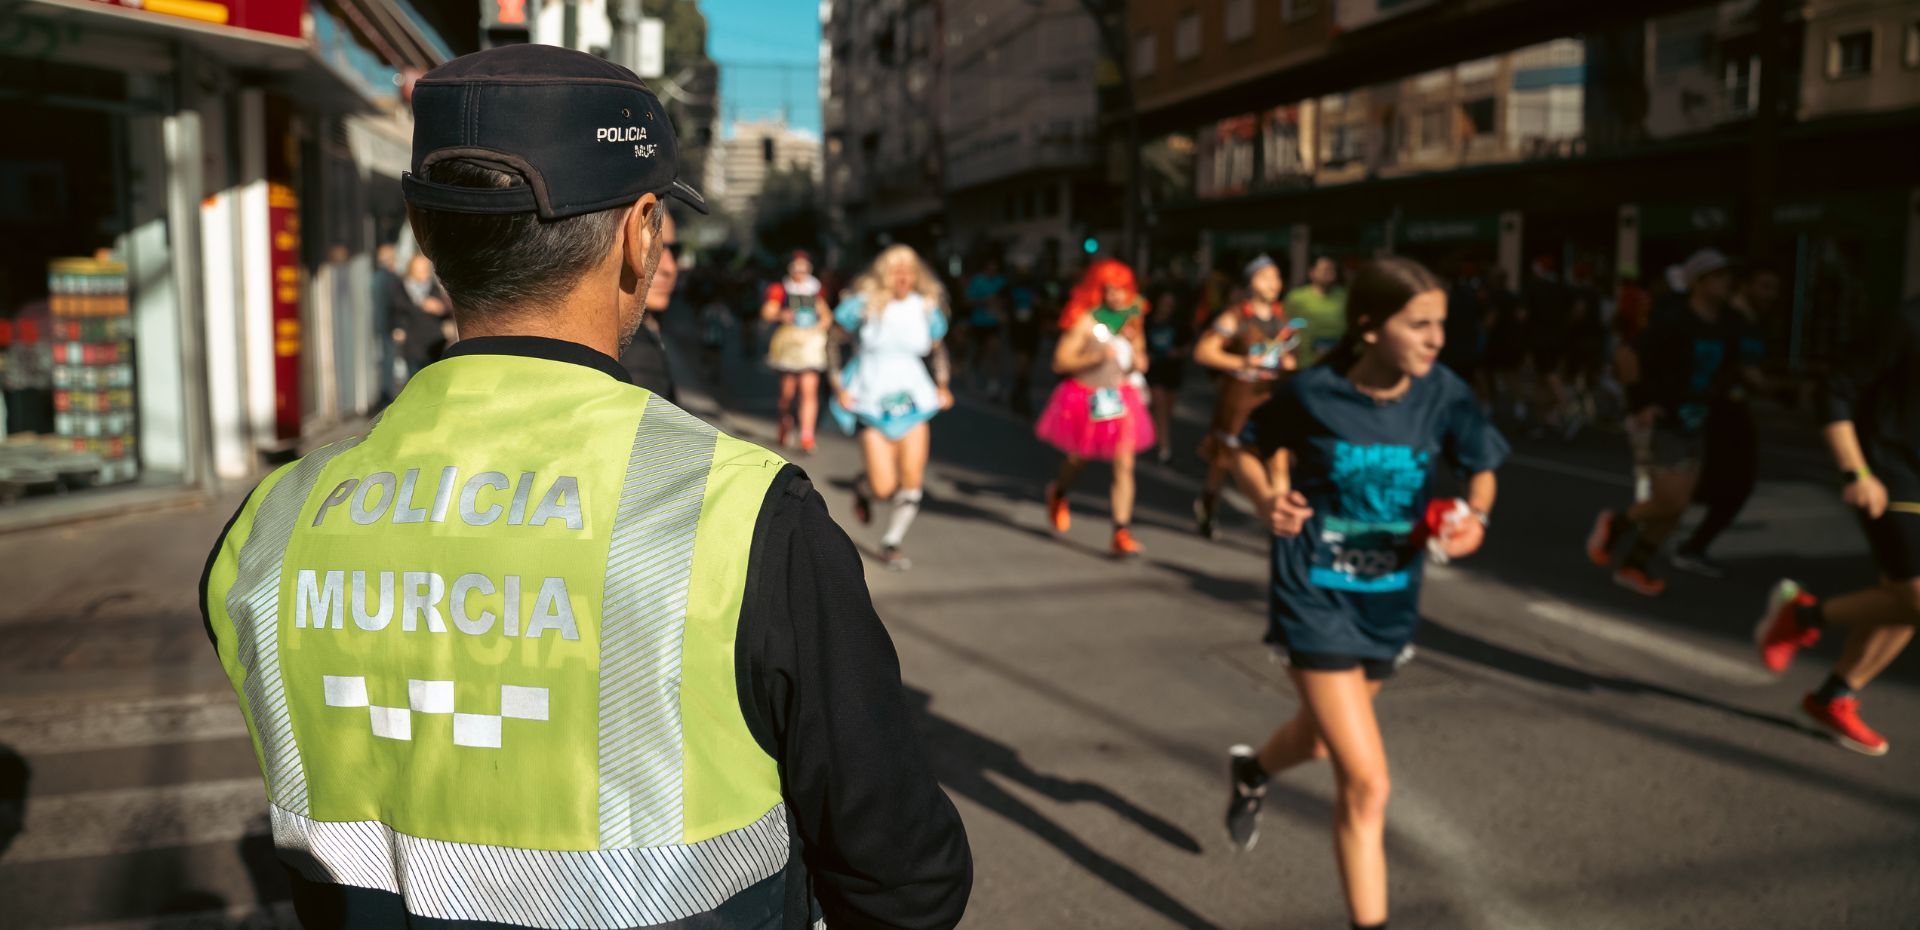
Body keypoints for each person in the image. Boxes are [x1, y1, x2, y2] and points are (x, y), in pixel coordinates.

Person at [198, 46, 971, 930]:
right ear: (642, 231)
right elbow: (904, 872)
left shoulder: (273, 523)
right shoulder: (744, 515)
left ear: (422, 228)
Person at [1222, 257, 1507, 930]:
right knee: (1368, 782)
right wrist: (1267, 502)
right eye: (1420, 325)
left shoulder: (1443, 392)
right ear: (1370, 327)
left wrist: (1476, 519)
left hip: (1390, 598)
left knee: (1322, 745)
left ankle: (1253, 771)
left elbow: (1483, 463)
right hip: (1314, 594)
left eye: (1442, 324)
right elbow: (1245, 447)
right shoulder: (1314, 393)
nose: (1437, 339)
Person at [1754, 297, 1920, 756]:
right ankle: (1801, 617)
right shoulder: (1904, 322)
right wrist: (1856, 472)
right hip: (1889, 474)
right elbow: (1835, 390)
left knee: (1903, 601)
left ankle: (1831, 698)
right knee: (1916, 596)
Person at [1587, 249, 1752, 595]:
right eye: (1719, 277)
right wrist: (1641, 403)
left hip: (1701, 420)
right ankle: (1616, 525)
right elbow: (1626, 354)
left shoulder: (1728, 323)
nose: (1727, 283)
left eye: (1729, 277)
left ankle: (1635, 565)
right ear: (1699, 282)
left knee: (1677, 508)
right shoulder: (1674, 319)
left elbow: (1738, 364)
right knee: (1671, 501)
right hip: (1668, 420)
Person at [829, 245, 955, 571]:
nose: (903, 277)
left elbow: (937, 350)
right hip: (871, 398)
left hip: (915, 401)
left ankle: (891, 542)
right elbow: (834, 339)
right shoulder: (861, 305)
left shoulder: (926, 308)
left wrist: (942, 385)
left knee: (912, 480)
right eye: (897, 270)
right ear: (885, 274)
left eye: (909, 271)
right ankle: (863, 488)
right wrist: (837, 385)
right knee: (883, 487)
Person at [1036, 259, 1155, 559]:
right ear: (1097, 290)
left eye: (1122, 290)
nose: (1116, 297)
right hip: (1087, 397)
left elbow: (1139, 354)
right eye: (1110, 290)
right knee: (1079, 459)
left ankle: (1121, 531)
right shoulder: (1085, 322)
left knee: (1124, 464)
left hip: (1121, 397)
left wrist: (1141, 362)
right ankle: (1059, 493)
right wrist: (1096, 357)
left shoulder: (1132, 320)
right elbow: (1060, 362)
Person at [1671, 265, 1777, 576]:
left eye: (1776, 288)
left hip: (1732, 410)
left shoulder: (1754, 323)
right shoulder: (1728, 322)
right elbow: (1743, 370)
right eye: (1766, 285)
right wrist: (1781, 390)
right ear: (1745, 286)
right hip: (1718, 410)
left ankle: (1683, 539)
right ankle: (1682, 540)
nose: (1773, 295)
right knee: (1724, 485)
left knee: (1721, 486)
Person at [1192, 254, 1300, 540]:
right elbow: (1203, 352)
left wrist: (1288, 364)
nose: (1273, 283)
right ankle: (1208, 505)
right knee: (1224, 461)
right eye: (1266, 277)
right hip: (1239, 401)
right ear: (1251, 282)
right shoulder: (1235, 317)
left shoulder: (1281, 320)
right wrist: (1242, 364)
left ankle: (1281, 524)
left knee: (1278, 460)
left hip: (1271, 399)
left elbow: (1286, 354)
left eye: (1276, 277)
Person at [762, 252, 830, 452]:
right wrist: (780, 314)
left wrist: (820, 326)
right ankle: (785, 422)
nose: (800, 271)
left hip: (809, 344)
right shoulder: (781, 289)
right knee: (787, 393)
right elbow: (767, 311)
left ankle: (807, 434)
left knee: (809, 390)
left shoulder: (815, 290)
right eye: (797, 267)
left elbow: (825, 314)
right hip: (790, 343)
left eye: (804, 267)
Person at [617, 207, 682, 399]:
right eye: (654, 248)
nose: (669, 267)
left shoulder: (644, 336)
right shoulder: (634, 352)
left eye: (675, 251)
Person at [1143, 277, 1192, 465]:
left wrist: (1178, 352)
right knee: (1160, 404)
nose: (1166, 307)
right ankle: (1165, 448)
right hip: (1154, 370)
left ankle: (1157, 436)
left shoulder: (1178, 323)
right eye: (1164, 303)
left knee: (1166, 409)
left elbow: (1188, 345)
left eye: (1170, 304)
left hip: (1172, 369)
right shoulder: (1147, 322)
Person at [389, 254, 453, 382]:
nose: (423, 273)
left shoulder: (434, 288)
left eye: (425, 269)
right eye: (419, 269)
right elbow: (397, 311)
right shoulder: (401, 289)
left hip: (434, 342)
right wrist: (398, 328)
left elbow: (446, 312)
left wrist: (440, 309)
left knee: (433, 380)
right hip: (412, 342)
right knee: (415, 380)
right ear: (411, 270)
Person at [1284, 255, 1346, 368]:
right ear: (1311, 272)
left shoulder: (1344, 296)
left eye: (1331, 269)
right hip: (1305, 363)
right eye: (1323, 269)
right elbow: (1285, 326)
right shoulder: (1296, 297)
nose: (1327, 273)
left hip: (1339, 362)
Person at [963, 257, 1008, 397]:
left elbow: (1006, 300)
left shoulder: (1001, 281)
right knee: (979, 352)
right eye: (990, 267)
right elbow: (968, 301)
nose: (992, 270)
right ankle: (973, 374)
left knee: (994, 351)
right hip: (979, 322)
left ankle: (993, 382)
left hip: (994, 323)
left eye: (995, 268)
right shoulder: (978, 281)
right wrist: (984, 302)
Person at [370, 243, 400, 404]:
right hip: (388, 326)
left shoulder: (376, 277)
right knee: (388, 360)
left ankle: (385, 393)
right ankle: (386, 394)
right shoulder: (389, 278)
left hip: (380, 325)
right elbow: (394, 305)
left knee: (384, 360)